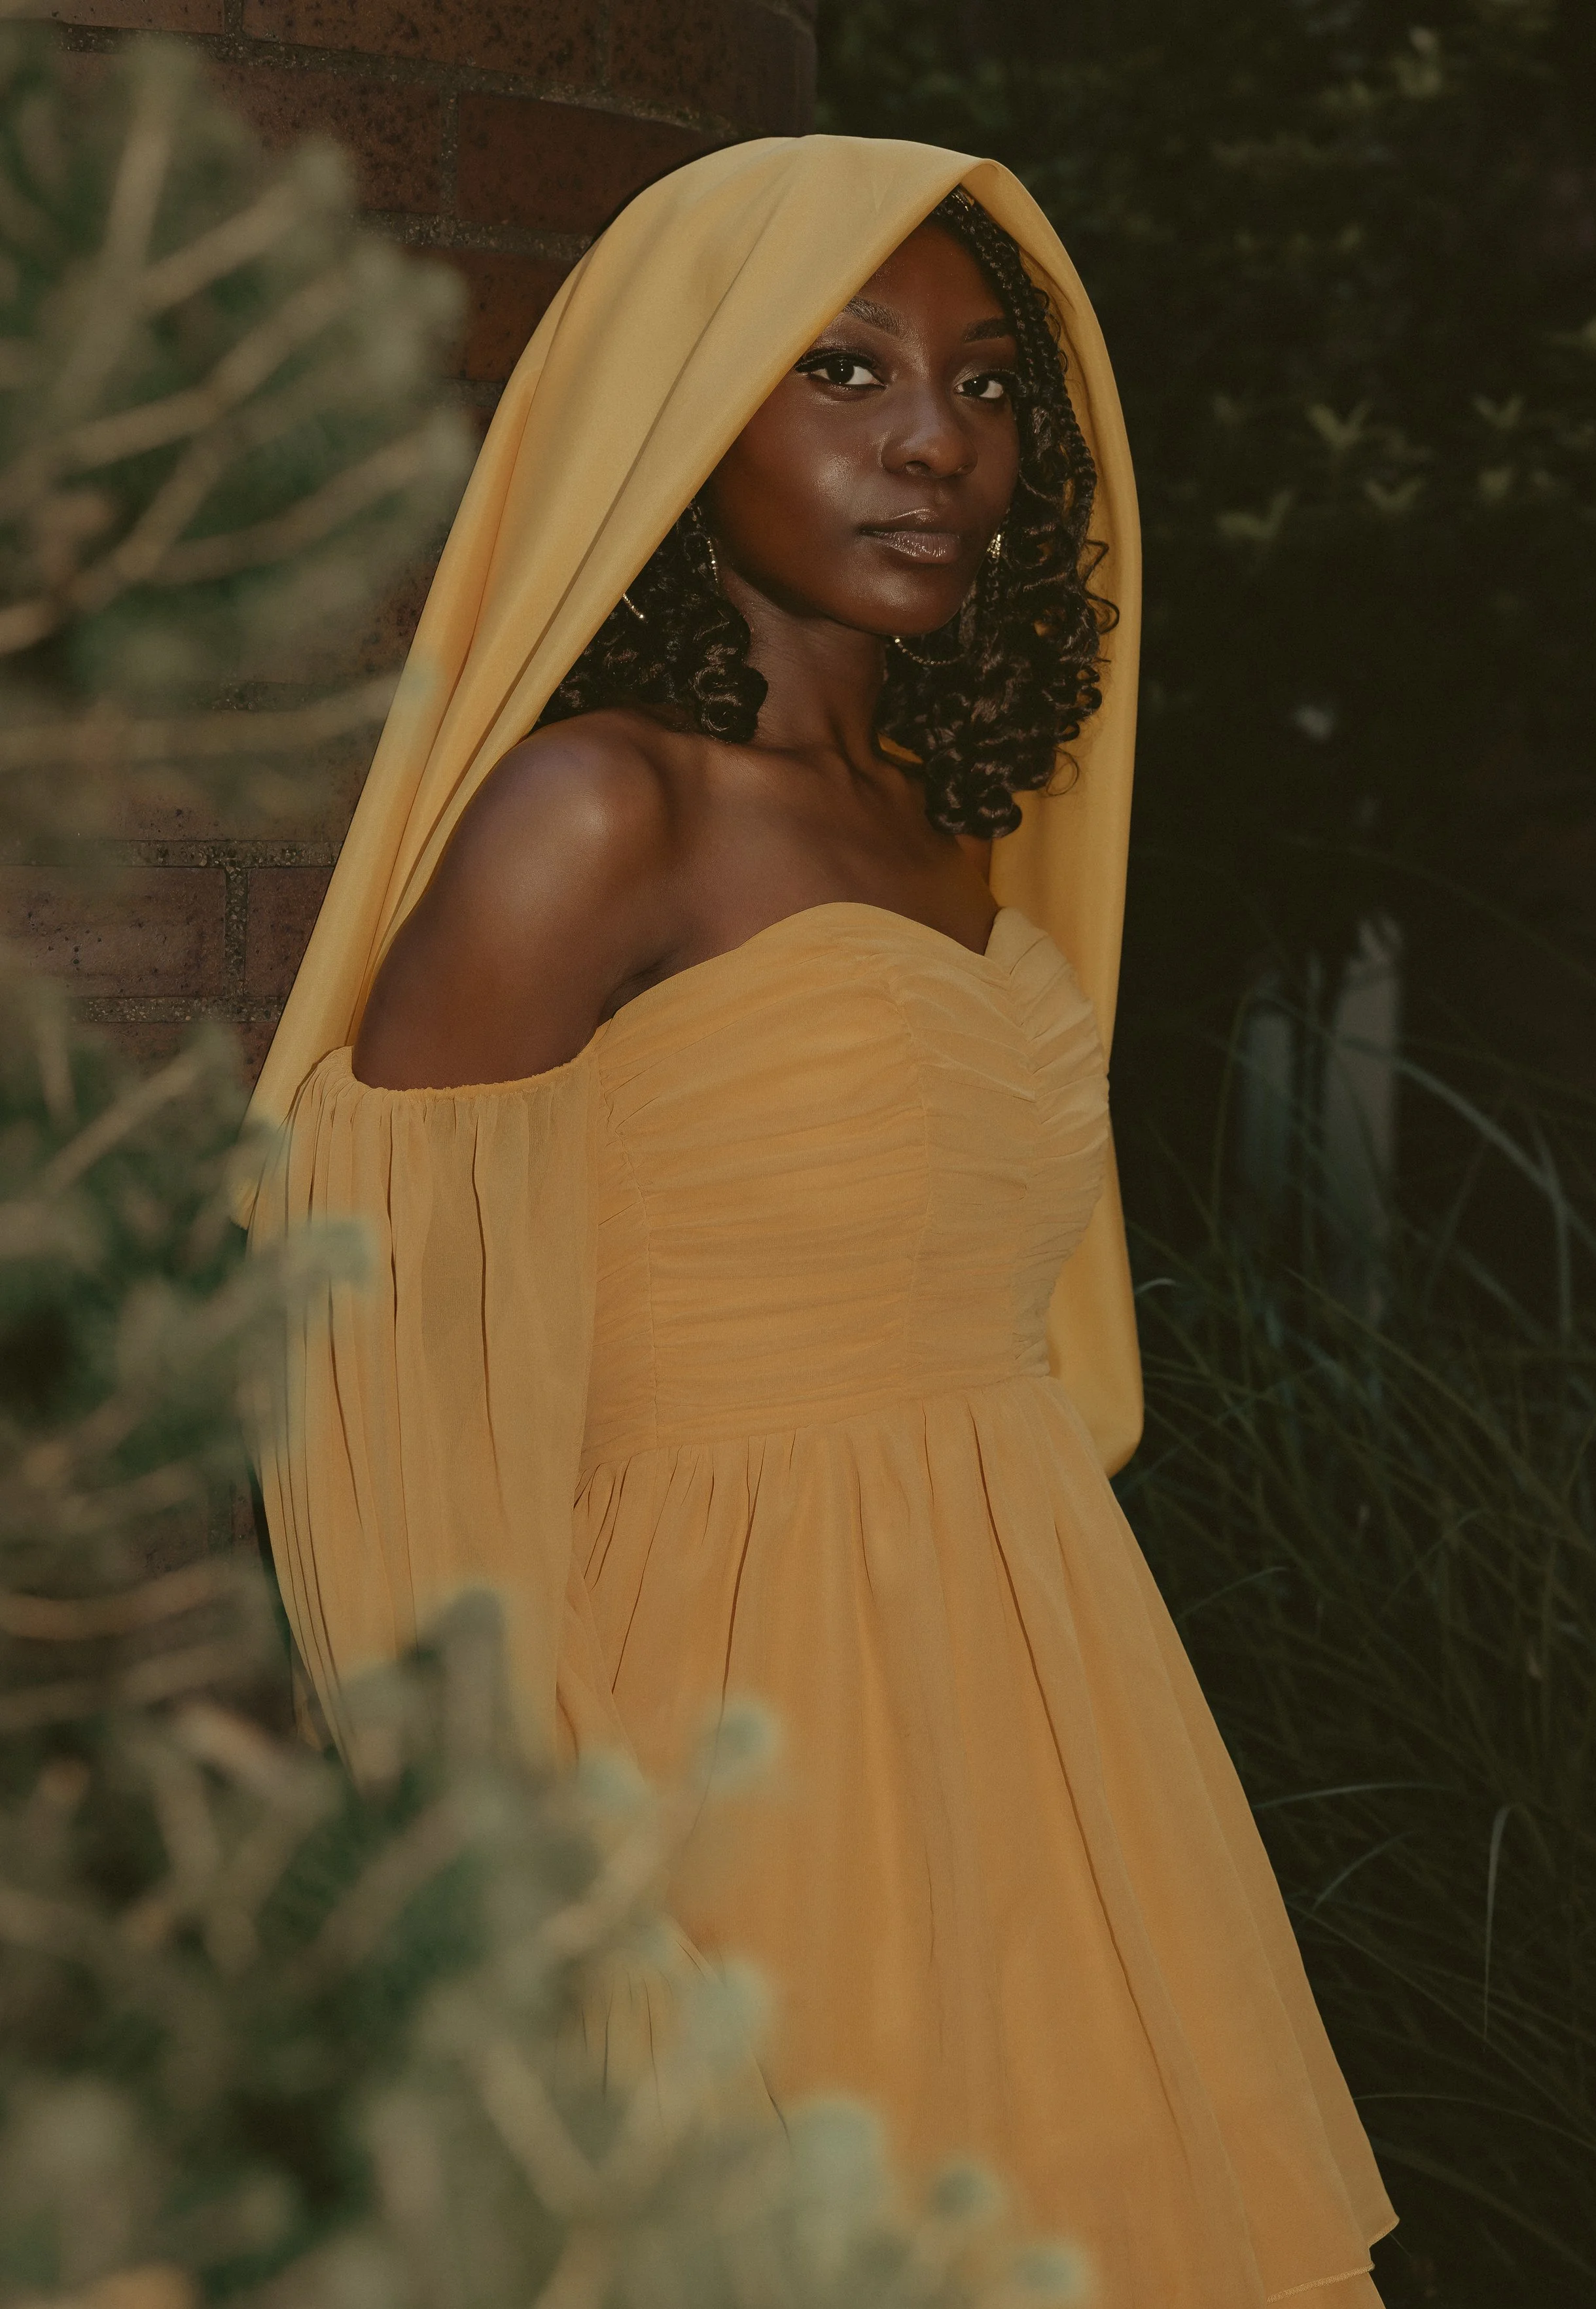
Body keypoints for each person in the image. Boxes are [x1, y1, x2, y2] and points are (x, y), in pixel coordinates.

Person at [247, 137, 1396, 2307]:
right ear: (686, 410)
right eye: (845, 372)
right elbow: (363, 1385)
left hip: (1033, 1706)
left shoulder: (949, 833)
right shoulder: (603, 811)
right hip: (717, 1741)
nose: (935, 444)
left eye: (982, 386)